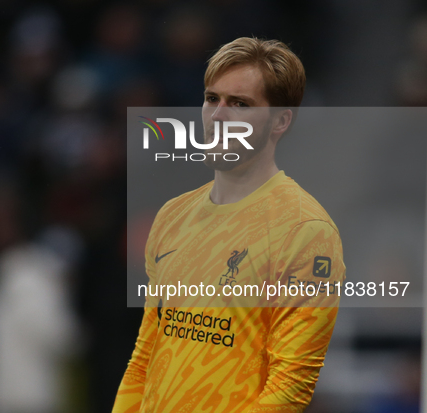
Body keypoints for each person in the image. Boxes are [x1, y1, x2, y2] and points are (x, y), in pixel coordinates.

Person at [113, 37, 345, 412]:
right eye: (211, 98)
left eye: (240, 104)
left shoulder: (306, 231)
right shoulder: (172, 216)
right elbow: (145, 359)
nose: (218, 115)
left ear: (280, 121)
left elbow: (288, 390)